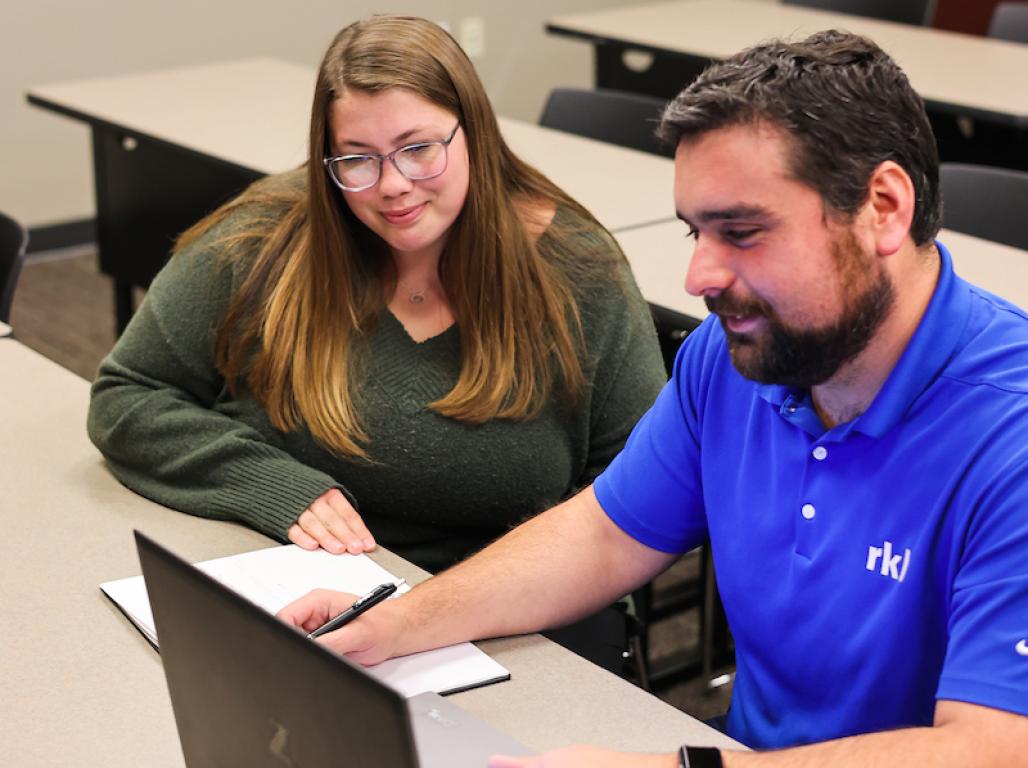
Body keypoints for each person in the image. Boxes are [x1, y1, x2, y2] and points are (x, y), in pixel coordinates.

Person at [278, 29, 1028, 767]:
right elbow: (604, 536)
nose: (698, 277)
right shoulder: (737, 357)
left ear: (884, 209)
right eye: (696, 232)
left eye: (742, 231)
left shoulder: (1009, 432)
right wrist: (387, 626)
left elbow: (993, 749)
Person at [86, 16, 666, 671]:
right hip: (306, 588)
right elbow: (128, 392)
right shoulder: (270, 235)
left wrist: (426, 615)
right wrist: (271, 485)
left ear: (474, 131)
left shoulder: (577, 271)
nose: (391, 185)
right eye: (356, 159)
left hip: (511, 620)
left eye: (419, 148)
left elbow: (644, 492)